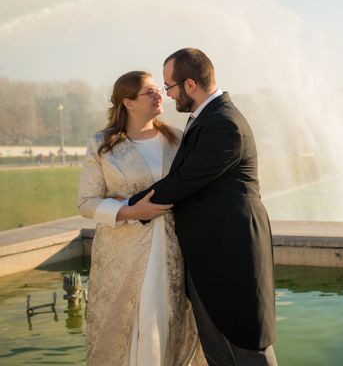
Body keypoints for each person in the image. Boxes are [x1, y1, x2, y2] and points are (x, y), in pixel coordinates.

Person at [128, 48, 277, 365]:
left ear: (190, 85)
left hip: (231, 255)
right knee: (218, 349)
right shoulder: (206, 118)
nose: (168, 96)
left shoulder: (224, 124)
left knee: (248, 348)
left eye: (170, 87)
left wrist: (126, 207)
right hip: (209, 255)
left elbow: (183, 181)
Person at [77, 71, 204, 365]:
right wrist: (132, 211)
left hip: (174, 249)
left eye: (159, 89)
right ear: (128, 102)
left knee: (168, 321)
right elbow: (86, 203)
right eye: (149, 91)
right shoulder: (102, 145)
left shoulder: (177, 139)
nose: (160, 94)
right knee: (129, 324)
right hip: (122, 255)